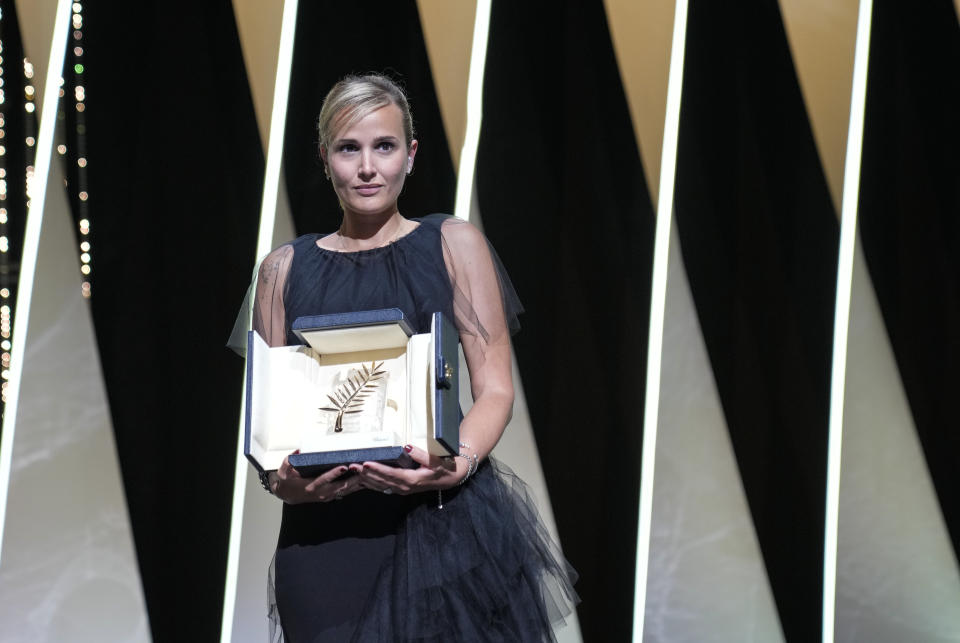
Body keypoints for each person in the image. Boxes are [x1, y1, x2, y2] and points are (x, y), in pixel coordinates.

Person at [242, 73, 577, 642]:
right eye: (349, 148)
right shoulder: (283, 270)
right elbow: (268, 425)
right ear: (325, 159)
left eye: (385, 146)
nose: (368, 167)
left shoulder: (451, 244)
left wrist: (457, 462)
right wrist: (285, 484)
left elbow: (495, 388)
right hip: (325, 540)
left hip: (441, 523)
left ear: (411, 154)